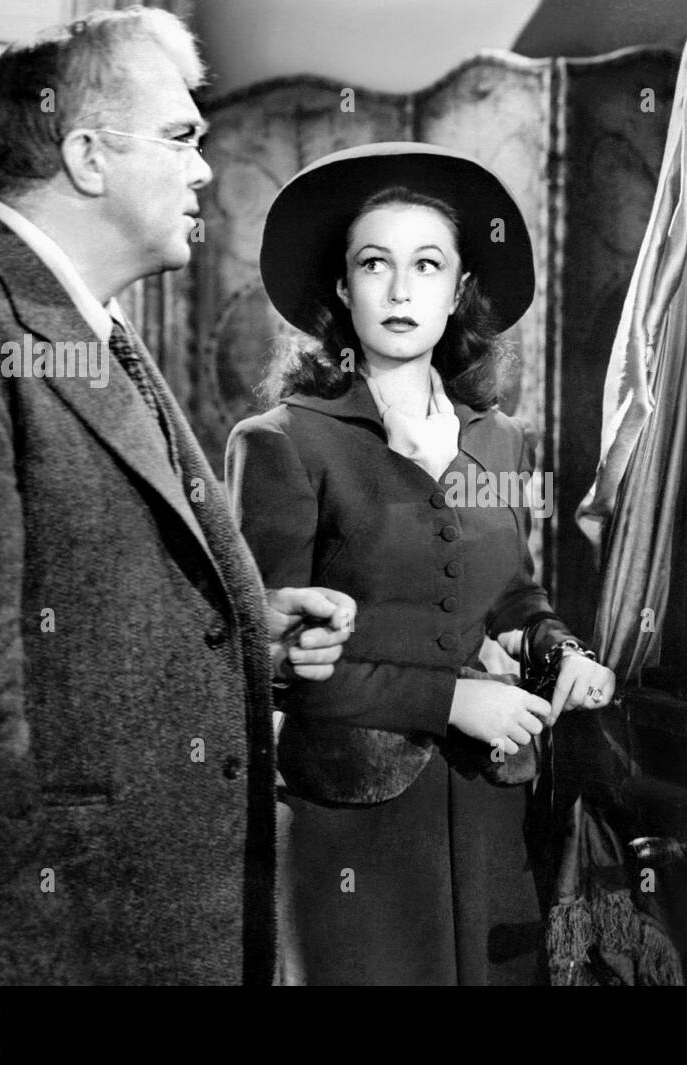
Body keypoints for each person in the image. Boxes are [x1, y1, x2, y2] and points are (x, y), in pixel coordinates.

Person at [0, 8, 354, 986]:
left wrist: (251, 633)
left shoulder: (87, 325)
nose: (205, 167)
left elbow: (81, 608)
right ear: (86, 155)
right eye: (180, 138)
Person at [226, 142, 616, 985]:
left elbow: (513, 595)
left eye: (427, 265)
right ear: (341, 287)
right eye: (376, 264)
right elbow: (272, 664)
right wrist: (453, 699)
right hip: (351, 821)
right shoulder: (281, 444)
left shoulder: (501, 438)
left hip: (489, 806)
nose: (402, 291)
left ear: (458, 291)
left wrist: (561, 654)